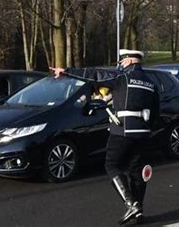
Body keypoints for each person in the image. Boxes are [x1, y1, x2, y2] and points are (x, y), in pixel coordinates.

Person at [50, 49, 160, 225]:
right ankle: (139, 212)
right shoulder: (151, 83)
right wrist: (147, 129)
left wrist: (66, 71)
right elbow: (156, 111)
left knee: (112, 165)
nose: (121, 65)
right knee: (135, 170)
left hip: (122, 130)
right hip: (143, 132)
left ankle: (131, 204)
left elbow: (94, 75)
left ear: (131, 61)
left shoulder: (122, 78)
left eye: (122, 62)